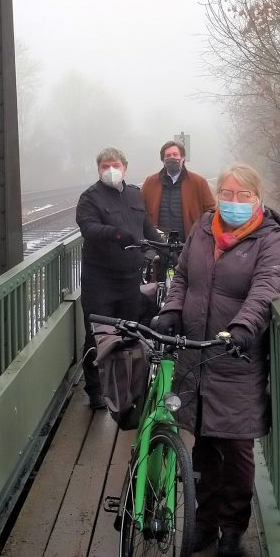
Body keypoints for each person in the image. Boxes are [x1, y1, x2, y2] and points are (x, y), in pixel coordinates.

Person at [153, 162, 280, 557]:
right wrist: (171, 309)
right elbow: (182, 277)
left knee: (236, 448)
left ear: (257, 198)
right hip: (195, 351)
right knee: (203, 441)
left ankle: (233, 527)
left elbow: (266, 287)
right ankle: (205, 521)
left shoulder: (271, 238)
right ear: (218, 195)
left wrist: (244, 327)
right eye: (227, 193)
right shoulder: (204, 227)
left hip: (235, 356)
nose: (233, 201)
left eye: (243, 195)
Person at [76, 147, 160, 409]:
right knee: (97, 336)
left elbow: (145, 226)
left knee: (131, 334)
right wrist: (116, 234)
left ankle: (128, 389)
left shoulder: (134, 193)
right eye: (104, 166)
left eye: (114, 165)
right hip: (99, 279)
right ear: (98, 169)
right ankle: (95, 389)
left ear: (125, 167)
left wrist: (164, 249)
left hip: (129, 279)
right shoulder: (90, 197)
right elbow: (88, 228)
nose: (110, 170)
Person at [140, 140, 215, 242]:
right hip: (159, 244)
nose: (172, 158)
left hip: (189, 243)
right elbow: (140, 210)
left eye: (175, 154)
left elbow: (211, 211)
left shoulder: (198, 182)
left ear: (183, 158)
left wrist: (201, 234)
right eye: (168, 155)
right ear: (163, 159)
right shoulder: (151, 182)